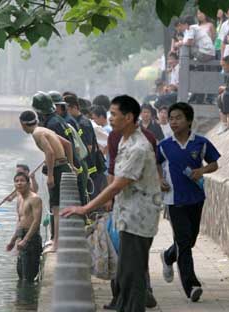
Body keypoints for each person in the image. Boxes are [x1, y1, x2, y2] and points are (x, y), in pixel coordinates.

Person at [61, 95, 162, 312]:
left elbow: (117, 185)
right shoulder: (123, 139)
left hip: (139, 218)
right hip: (126, 214)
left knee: (133, 275)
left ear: (128, 117)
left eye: (114, 114)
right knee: (124, 273)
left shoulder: (138, 147)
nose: (110, 118)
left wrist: (85, 208)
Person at [158, 102, 220, 303]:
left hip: (196, 198)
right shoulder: (164, 146)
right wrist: (160, 179)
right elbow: (155, 164)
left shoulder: (200, 143)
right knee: (184, 241)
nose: (173, 122)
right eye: (171, 118)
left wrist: (201, 171)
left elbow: (214, 164)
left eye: (178, 118)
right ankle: (192, 285)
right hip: (174, 200)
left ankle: (168, 256)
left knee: (190, 240)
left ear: (189, 121)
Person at [103, 124, 159, 310]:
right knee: (123, 252)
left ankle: (139, 293)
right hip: (123, 204)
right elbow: (112, 167)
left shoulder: (146, 140)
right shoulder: (114, 136)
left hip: (138, 207)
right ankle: (123, 296)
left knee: (131, 253)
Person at [19, 109, 76, 252]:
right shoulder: (44, 129)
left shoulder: (37, 134)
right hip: (63, 167)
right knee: (59, 207)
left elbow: (50, 152)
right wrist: (71, 165)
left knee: (56, 208)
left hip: (57, 170)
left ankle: (56, 244)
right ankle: (57, 241)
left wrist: (50, 175)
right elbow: (67, 144)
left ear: (23, 125)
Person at [6, 172, 43, 282]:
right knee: (21, 274)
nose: (19, 183)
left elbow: (36, 221)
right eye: (16, 181)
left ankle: (28, 299)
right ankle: (20, 299)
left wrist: (26, 240)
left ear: (28, 183)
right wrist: (13, 240)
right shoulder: (20, 199)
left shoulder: (35, 199)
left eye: (22, 180)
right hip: (21, 237)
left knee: (28, 278)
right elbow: (21, 221)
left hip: (32, 239)